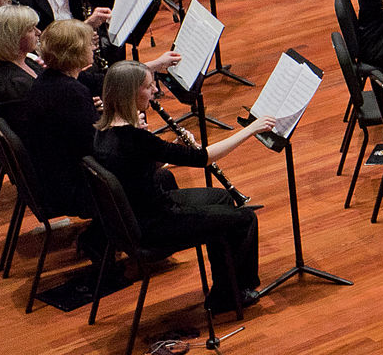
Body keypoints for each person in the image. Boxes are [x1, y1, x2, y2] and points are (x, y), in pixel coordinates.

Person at [93, 62, 276, 314]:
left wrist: (176, 144)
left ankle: (226, 287)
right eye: (148, 87)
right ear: (130, 93)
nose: (155, 90)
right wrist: (250, 130)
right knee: (245, 218)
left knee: (221, 198)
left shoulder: (103, 130)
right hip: (155, 224)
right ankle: (230, 297)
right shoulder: (136, 138)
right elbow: (204, 158)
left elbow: (137, 166)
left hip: (136, 217)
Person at [20, 19, 102, 221]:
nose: (93, 47)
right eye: (89, 43)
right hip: (72, 188)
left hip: (54, 178)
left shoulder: (50, 78)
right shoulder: (70, 92)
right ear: (75, 52)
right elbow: (95, 148)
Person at [0, 5, 44, 125]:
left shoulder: (25, 61)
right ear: (13, 37)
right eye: (31, 29)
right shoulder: (14, 85)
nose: (38, 32)